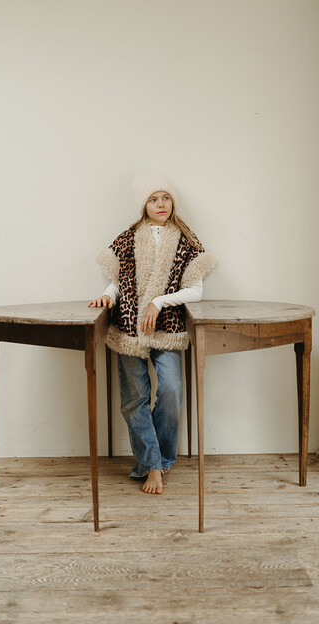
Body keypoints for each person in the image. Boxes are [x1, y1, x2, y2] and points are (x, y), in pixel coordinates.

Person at [89, 171, 217, 495]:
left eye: (166, 197)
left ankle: (161, 458)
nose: (161, 204)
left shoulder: (186, 241)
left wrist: (159, 302)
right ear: (143, 206)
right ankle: (152, 465)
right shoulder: (128, 238)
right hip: (129, 329)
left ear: (173, 202)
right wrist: (108, 296)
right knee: (134, 399)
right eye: (153, 199)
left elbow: (196, 290)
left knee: (171, 391)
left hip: (167, 329)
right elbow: (118, 282)